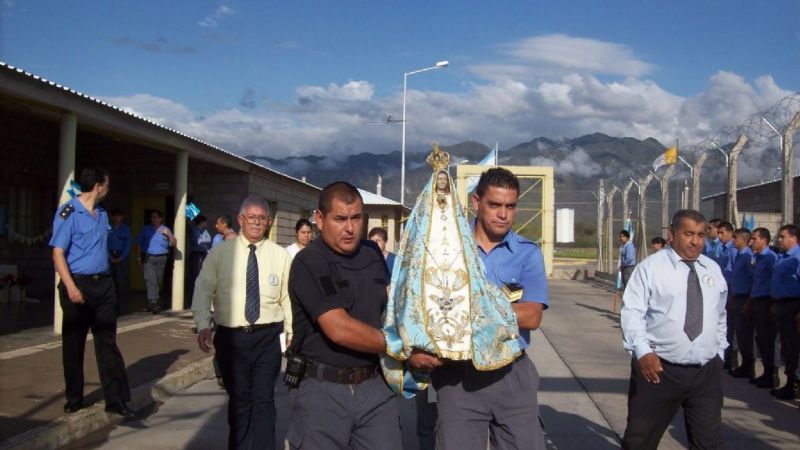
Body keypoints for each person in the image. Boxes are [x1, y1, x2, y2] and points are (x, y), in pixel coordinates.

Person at [286, 182, 400, 450]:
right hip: (323, 391)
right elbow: (338, 327)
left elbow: (391, 307)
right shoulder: (309, 262)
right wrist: (400, 346)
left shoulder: (372, 257)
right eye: (340, 219)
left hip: (375, 387)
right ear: (319, 219)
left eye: (356, 218)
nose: (349, 228)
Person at [620, 209, 727, 450]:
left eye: (701, 235)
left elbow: (720, 315)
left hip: (705, 373)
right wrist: (642, 351)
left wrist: (720, 351)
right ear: (672, 234)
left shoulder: (712, 269)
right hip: (659, 370)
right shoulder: (651, 268)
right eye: (689, 234)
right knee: (640, 440)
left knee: (709, 442)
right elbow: (632, 312)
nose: (696, 241)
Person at [192, 196, 293, 450]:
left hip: (267, 338)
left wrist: (292, 331)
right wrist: (203, 323)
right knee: (239, 399)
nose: (257, 223)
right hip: (231, 338)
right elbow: (203, 290)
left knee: (263, 399)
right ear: (240, 220)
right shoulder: (220, 253)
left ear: (269, 222)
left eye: (262, 218)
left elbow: (288, 298)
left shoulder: (280, 256)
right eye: (252, 217)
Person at [49, 168, 134, 418]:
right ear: (98, 186)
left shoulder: (103, 214)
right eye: (107, 184)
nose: (109, 189)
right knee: (74, 344)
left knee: (107, 342)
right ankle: (74, 397)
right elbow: (57, 253)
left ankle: (116, 400)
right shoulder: (69, 212)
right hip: (78, 285)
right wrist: (71, 287)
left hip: (104, 285)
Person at [769, 224, 800, 400]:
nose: (779, 240)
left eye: (782, 237)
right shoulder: (783, 257)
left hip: (793, 306)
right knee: (786, 346)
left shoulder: (797, 258)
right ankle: (790, 382)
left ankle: (795, 384)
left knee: (794, 347)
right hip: (781, 304)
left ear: (793, 238)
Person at [749, 227, 780, 388]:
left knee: (768, 339)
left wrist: (773, 303)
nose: (751, 242)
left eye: (754, 239)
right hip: (757, 301)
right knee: (760, 338)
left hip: (766, 301)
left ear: (764, 240)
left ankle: (772, 375)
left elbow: (775, 282)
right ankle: (766, 372)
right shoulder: (757, 258)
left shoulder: (770, 258)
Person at [135, 209, 176, 314]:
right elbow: (139, 243)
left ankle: (151, 303)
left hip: (162, 258)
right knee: (150, 279)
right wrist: (139, 257)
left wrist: (169, 235)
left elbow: (174, 243)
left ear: (160, 219)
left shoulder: (165, 229)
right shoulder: (146, 229)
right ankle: (154, 303)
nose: (153, 219)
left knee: (157, 280)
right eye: (152, 217)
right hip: (149, 257)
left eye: (155, 217)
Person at [729, 228, 755, 379]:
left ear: (743, 239)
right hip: (737, 297)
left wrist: (749, 301)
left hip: (745, 299)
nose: (733, 240)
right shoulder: (740, 255)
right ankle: (744, 365)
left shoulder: (747, 256)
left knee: (745, 334)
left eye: (735, 238)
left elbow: (753, 279)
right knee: (739, 333)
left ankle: (748, 366)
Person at [716, 221, 738, 369]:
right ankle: (726, 356)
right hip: (723, 291)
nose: (719, 236)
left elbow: (733, 274)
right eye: (718, 232)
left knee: (732, 328)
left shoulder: (734, 250)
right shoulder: (722, 249)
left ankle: (732, 358)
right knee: (725, 326)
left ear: (731, 233)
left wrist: (731, 295)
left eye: (722, 233)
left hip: (732, 292)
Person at [107, 209, 131, 308]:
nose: (117, 218)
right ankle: (109, 301)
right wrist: (109, 256)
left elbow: (127, 245)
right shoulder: (107, 228)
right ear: (111, 217)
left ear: (122, 217)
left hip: (121, 257)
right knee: (109, 279)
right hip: (109, 256)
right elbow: (104, 243)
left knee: (120, 280)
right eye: (115, 216)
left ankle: (119, 303)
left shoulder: (125, 229)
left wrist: (121, 258)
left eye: (119, 216)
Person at [187, 214, 212, 307]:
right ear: (201, 222)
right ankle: (193, 301)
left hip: (204, 254)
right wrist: (206, 248)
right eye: (205, 222)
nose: (206, 224)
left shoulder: (204, 231)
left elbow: (208, 241)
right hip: (197, 255)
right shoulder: (195, 230)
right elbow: (198, 242)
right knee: (196, 278)